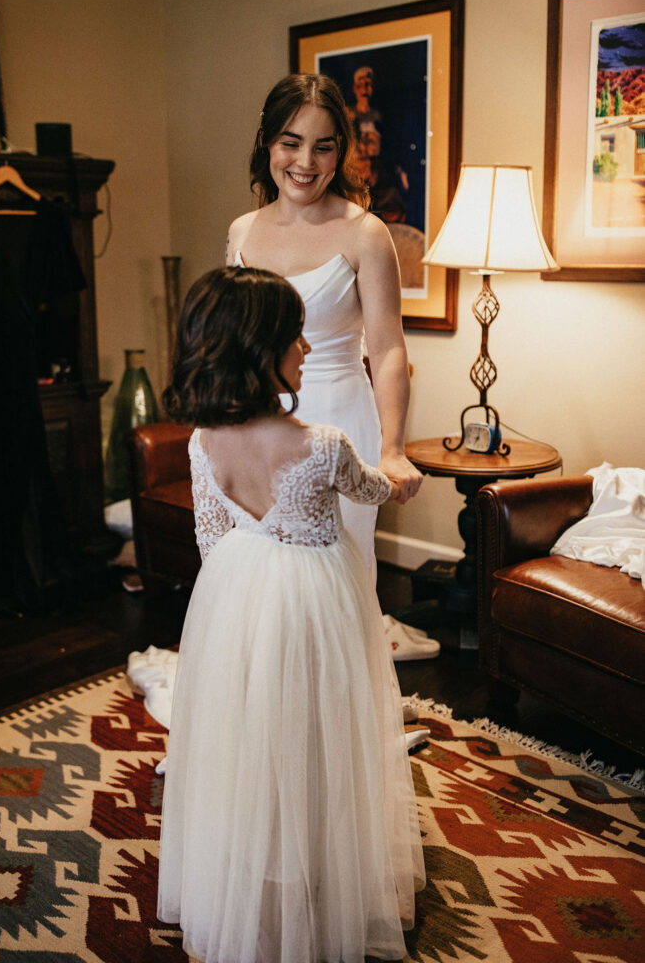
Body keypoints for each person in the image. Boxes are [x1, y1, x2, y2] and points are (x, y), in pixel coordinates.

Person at [156, 265, 425, 963]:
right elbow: (370, 489)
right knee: (319, 729)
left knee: (250, 730)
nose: (306, 348)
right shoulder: (323, 445)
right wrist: (400, 479)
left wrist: (234, 602)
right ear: (256, 348)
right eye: (292, 336)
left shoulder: (200, 441)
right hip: (313, 605)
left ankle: (249, 870)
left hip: (233, 598)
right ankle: (318, 872)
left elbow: (210, 539)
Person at [226, 72, 423, 573]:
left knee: (338, 577)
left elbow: (388, 349)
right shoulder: (241, 232)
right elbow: (233, 344)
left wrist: (393, 449)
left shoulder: (366, 233)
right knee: (263, 575)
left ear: (341, 153)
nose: (305, 163)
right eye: (291, 143)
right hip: (257, 425)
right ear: (267, 142)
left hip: (340, 418)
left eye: (323, 147)